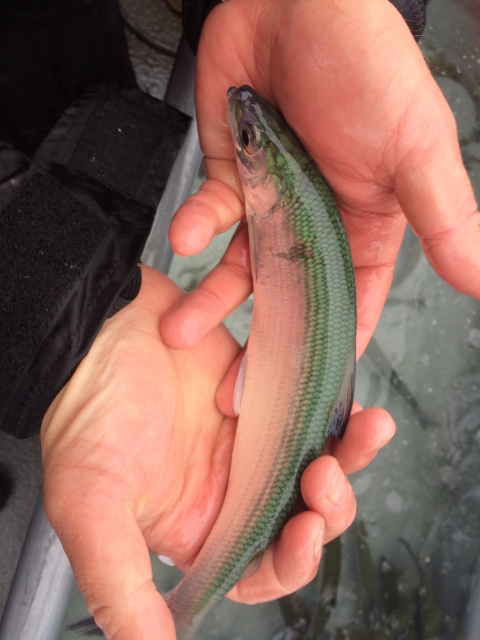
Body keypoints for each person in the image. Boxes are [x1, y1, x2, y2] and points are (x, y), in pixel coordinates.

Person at [5, 0, 480, 639]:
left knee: (59, 62)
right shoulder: (284, 210)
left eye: (248, 142)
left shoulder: (289, 209)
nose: (241, 130)